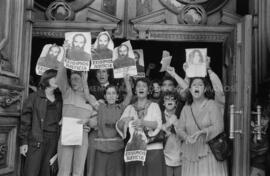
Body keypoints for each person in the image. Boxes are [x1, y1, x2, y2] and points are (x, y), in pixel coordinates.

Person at [175, 77, 228, 176]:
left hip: (208, 151)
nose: (197, 87)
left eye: (200, 85)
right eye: (194, 85)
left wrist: (203, 131)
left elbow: (219, 126)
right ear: (190, 90)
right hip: (190, 151)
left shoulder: (212, 105)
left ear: (205, 89)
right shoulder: (186, 108)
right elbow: (179, 129)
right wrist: (186, 137)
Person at [56, 57, 97, 176]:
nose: (73, 81)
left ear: (83, 79)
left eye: (76, 78)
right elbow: (60, 77)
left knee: (78, 172)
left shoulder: (91, 98)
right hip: (66, 135)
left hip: (82, 136)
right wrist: (65, 54)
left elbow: (97, 120)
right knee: (63, 171)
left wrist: (88, 122)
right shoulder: (67, 92)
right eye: (72, 78)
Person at [116, 78, 165, 176]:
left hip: (152, 150)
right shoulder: (130, 108)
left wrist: (143, 122)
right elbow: (118, 125)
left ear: (149, 90)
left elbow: (157, 124)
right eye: (138, 86)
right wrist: (126, 120)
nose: (141, 88)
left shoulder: (154, 106)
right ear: (135, 90)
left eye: (144, 86)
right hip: (135, 151)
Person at [19, 69, 62, 176]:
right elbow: (25, 120)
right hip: (37, 140)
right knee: (31, 172)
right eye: (55, 77)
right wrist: (24, 141)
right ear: (47, 79)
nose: (58, 80)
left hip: (53, 141)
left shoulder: (60, 99)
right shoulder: (34, 97)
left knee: (47, 172)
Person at [91, 73, 132, 176]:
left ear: (117, 96)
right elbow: (88, 96)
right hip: (101, 150)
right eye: (108, 93)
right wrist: (84, 80)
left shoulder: (121, 107)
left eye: (114, 93)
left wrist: (126, 81)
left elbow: (130, 95)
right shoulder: (100, 107)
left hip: (117, 150)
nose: (111, 96)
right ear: (105, 96)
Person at [161, 91, 182, 176]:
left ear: (176, 103)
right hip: (165, 157)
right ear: (163, 103)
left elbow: (184, 134)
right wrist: (165, 128)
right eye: (166, 99)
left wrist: (175, 122)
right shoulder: (159, 116)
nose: (169, 101)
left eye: (172, 99)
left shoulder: (182, 116)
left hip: (180, 157)